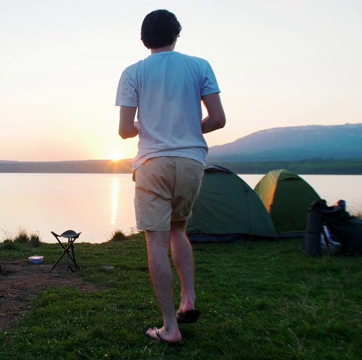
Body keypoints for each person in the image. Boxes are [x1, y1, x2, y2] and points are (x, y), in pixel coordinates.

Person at [115, 9, 226, 344]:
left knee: (156, 241)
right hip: (191, 161)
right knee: (179, 228)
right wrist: (189, 130)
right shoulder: (199, 66)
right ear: (176, 33)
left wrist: (147, 129)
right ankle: (188, 298)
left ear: (143, 39)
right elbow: (218, 119)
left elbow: (123, 131)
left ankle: (170, 328)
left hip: (153, 164)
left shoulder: (133, 72)